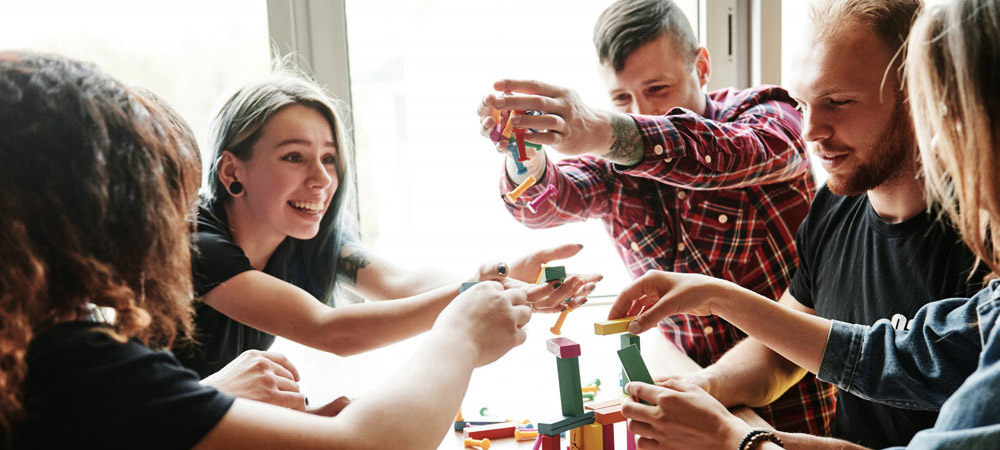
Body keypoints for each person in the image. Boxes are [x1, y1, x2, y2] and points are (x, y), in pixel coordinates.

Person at [0, 50, 532, 450]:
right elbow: (363, 438)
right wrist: (463, 329)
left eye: (328, 159)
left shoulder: (49, 351)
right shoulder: (77, 359)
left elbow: (401, 283)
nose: (172, 223)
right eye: (160, 200)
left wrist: (489, 282)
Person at [607, 0, 1000, 448]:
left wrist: (739, 437)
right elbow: (826, 352)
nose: (809, 129)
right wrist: (707, 383)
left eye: (838, 102)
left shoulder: (982, 240)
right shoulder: (834, 204)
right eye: (802, 102)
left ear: (921, 94)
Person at [477, 0, 831, 434]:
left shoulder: (766, 115)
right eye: (622, 98)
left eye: (658, 89)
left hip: (806, 407)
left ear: (701, 67)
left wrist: (607, 130)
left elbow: (733, 153)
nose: (641, 111)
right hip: (687, 404)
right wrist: (525, 156)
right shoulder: (612, 168)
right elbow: (546, 202)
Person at [174, 72, 602, 378]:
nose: (322, 178)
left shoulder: (303, 237)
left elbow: (401, 282)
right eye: (293, 157)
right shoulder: (198, 244)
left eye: (328, 158)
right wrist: (475, 292)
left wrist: (499, 282)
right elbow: (333, 333)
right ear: (231, 171)